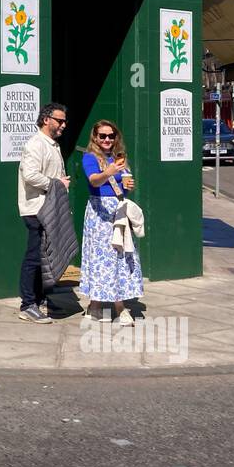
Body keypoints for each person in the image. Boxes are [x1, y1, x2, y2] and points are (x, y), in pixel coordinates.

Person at [79, 120, 142, 325]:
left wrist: (127, 186)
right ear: (95, 138)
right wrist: (109, 172)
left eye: (111, 136)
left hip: (118, 211)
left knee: (121, 257)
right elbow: (94, 181)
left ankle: (118, 306)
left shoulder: (118, 158)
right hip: (99, 213)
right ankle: (95, 305)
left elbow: (121, 186)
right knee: (100, 259)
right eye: (102, 136)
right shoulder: (90, 157)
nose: (107, 139)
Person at [16, 102, 70, 323]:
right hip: (37, 209)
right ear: (46, 119)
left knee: (45, 257)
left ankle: (39, 299)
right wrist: (56, 183)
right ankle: (28, 304)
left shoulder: (52, 145)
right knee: (34, 258)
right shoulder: (36, 144)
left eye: (65, 121)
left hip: (50, 208)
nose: (63, 125)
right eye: (60, 120)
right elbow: (30, 175)